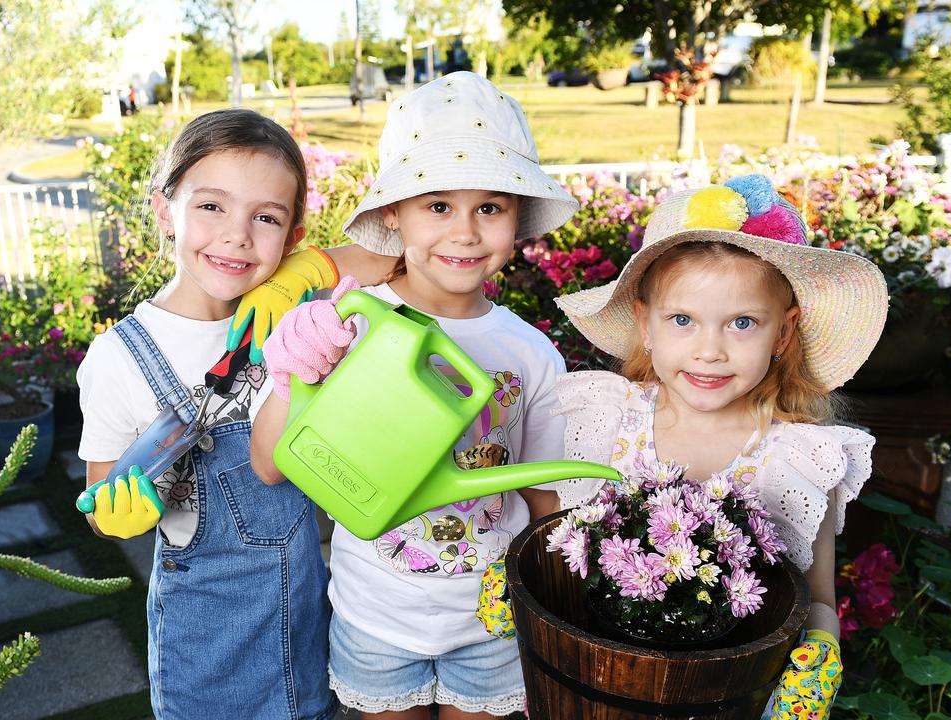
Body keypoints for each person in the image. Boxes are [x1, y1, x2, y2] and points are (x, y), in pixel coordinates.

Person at [250, 71, 579, 719]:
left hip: (490, 618)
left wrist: (561, 599)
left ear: (517, 218)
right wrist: (292, 372)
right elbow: (268, 464)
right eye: (437, 205)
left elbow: (545, 492)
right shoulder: (348, 326)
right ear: (393, 214)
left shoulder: (533, 355)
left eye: (489, 206)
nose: (464, 232)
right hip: (376, 612)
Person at [74, 108, 392, 719]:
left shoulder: (290, 315)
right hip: (203, 649)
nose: (238, 235)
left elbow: (405, 258)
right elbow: (99, 498)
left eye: (266, 218)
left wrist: (304, 274)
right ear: (165, 210)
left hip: (305, 629)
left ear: (292, 235)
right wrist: (117, 517)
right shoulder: (119, 358)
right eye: (212, 206)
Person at [551, 175, 888, 718]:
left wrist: (820, 651)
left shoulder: (799, 460)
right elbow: (549, 532)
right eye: (682, 320)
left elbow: (817, 597)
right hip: (596, 684)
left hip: (724, 698)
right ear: (645, 324)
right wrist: (512, 574)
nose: (709, 351)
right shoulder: (604, 416)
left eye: (742, 323)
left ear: (783, 334)